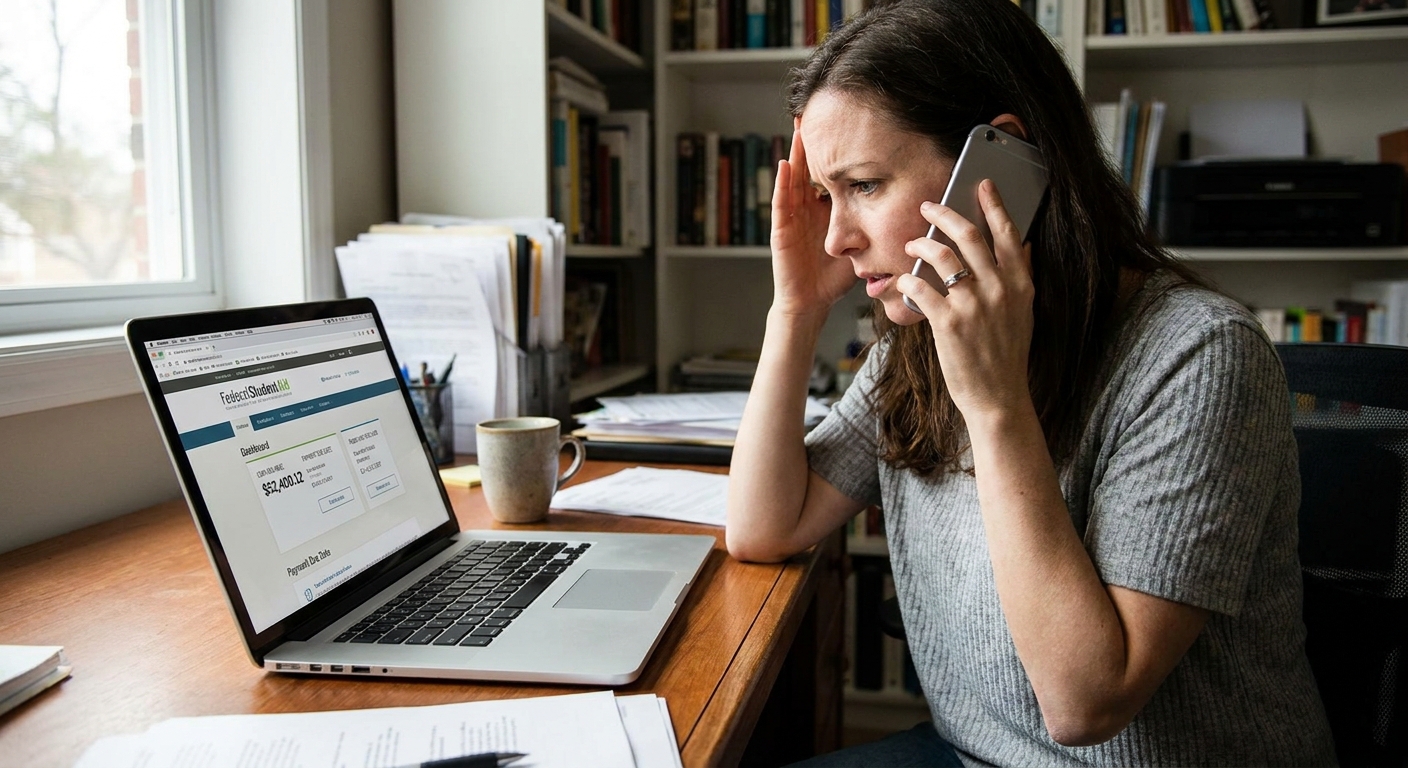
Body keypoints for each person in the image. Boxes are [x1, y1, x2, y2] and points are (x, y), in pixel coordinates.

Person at [724, 0, 1337, 764]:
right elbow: (763, 528)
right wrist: (795, 309)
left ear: (999, 168)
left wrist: (996, 407)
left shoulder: (1200, 355)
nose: (837, 237)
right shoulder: (915, 343)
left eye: (865, 185)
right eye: (826, 195)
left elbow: (1086, 704)